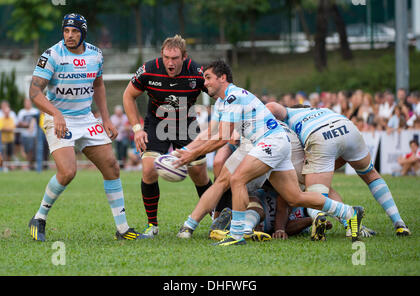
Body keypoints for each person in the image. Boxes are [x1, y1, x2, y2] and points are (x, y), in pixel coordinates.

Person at [174, 60, 365, 246]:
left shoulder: (233, 96)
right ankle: (348, 212)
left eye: (208, 77)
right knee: (294, 197)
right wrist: (186, 150)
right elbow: (210, 132)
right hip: (267, 143)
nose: (204, 82)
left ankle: (236, 234)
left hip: (270, 142)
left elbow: (223, 138)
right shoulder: (222, 103)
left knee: (237, 179)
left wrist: (192, 156)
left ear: (222, 77)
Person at [27, 13, 142, 242]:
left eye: (75, 31)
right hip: (57, 117)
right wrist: (56, 113)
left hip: (86, 119)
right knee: (68, 172)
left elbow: (98, 84)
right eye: (66, 31)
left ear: (84, 34)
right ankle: (39, 217)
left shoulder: (95, 55)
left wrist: (106, 119)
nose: (69, 36)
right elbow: (34, 93)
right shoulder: (52, 55)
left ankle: (122, 229)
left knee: (112, 167)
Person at [266, 102, 411, 236]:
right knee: (371, 175)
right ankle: (399, 222)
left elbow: (272, 106)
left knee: (314, 190)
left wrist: (257, 118)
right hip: (348, 128)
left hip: (319, 134)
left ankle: (333, 220)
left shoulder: (290, 114)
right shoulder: (322, 110)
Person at [122, 35, 213, 237]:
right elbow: (128, 96)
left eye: (175, 58)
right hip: (156, 123)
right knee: (148, 170)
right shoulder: (148, 70)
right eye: (166, 57)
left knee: (199, 174)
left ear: (184, 57)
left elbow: (219, 92)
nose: (170, 63)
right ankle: (152, 225)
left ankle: (217, 221)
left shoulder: (197, 73)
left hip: (185, 123)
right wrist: (137, 129)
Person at [17, 98, 40, 170]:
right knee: (25, 151)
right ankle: (29, 165)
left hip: (33, 135)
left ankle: (31, 165)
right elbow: (18, 122)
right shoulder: (21, 112)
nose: (27, 104)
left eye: (28, 102)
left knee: (32, 151)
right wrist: (26, 125)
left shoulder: (35, 111)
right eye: (26, 102)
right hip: (24, 135)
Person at [0, 102, 16, 170]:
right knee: (3, 155)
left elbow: (12, 128)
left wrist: (6, 129)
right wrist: (7, 129)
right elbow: (1, 128)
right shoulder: (1, 119)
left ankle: (8, 167)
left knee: (9, 154)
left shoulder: (11, 119)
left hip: (10, 139)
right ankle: (4, 167)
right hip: (3, 140)